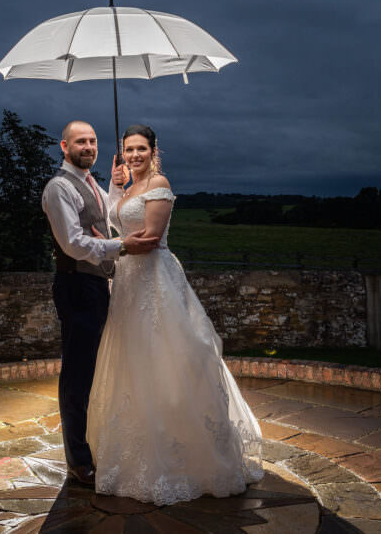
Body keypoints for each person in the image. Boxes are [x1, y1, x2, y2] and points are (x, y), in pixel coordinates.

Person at [86, 124, 264, 505]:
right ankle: (134, 455)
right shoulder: (127, 187)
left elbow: (149, 239)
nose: (134, 155)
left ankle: (184, 458)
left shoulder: (158, 183)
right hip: (128, 286)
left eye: (141, 149)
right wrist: (115, 190)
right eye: (129, 150)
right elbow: (116, 220)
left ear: (153, 150)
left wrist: (109, 247)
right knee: (132, 364)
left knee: (167, 361)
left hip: (156, 282)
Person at [40, 120, 160, 487]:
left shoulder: (89, 182)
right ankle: (78, 460)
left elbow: (105, 219)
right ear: (64, 146)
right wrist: (122, 246)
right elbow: (74, 243)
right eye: (80, 142)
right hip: (76, 285)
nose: (88, 147)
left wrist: (115, 186)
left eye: (92, 141)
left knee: (94, 370)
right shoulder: (59, 187)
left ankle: (92, 446)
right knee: (77, 374)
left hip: (94, 285)